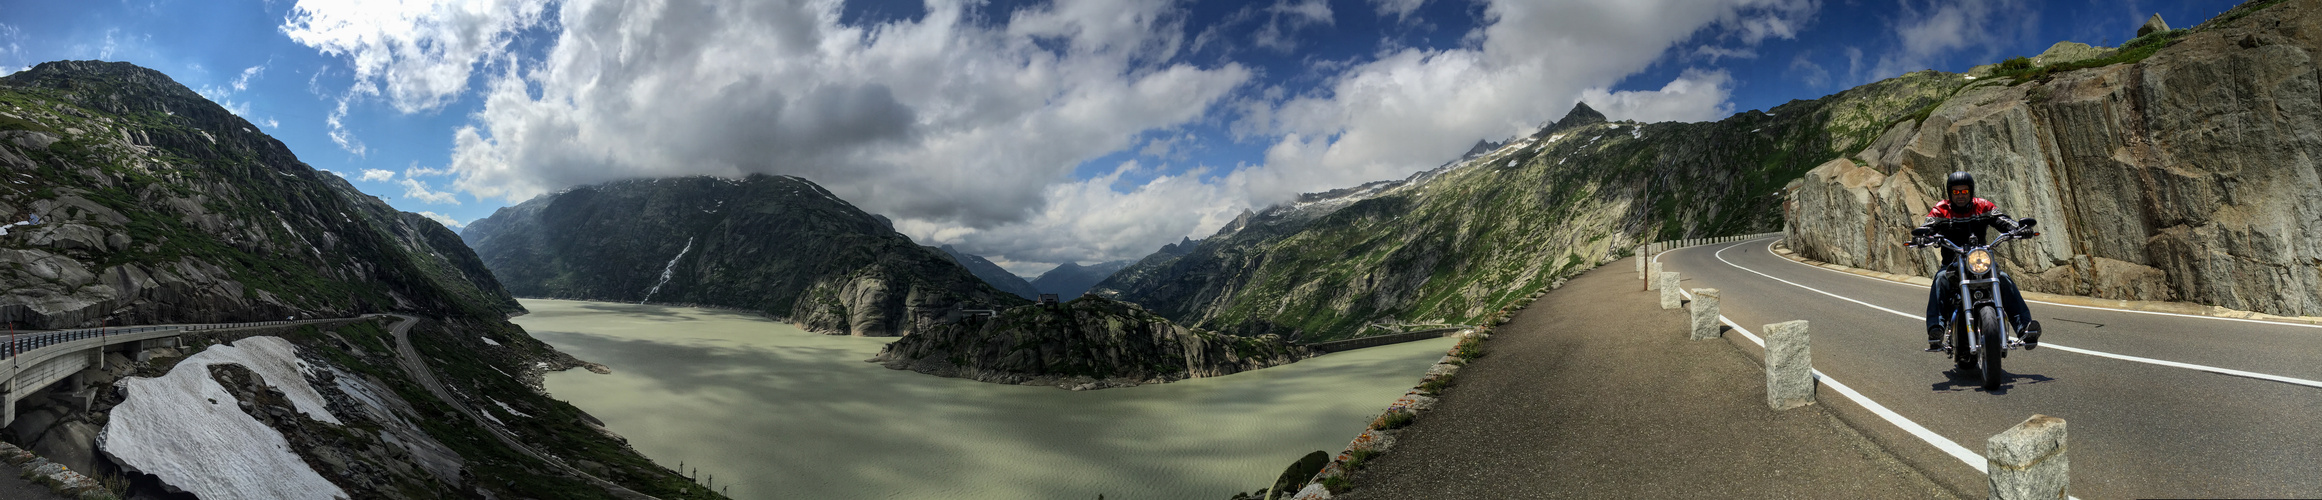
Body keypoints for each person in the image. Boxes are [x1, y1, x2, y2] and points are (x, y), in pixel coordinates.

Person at [1915, 171, 2041, 351]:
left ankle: (2024, 328)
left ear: (1971, 191)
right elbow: (1927, 226)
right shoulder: (1941, 210)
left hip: (1981, 262)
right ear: (1950, 193)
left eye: (1964, 191)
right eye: (1956, 192)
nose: (1960, 195)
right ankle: (1936, 329)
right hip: (1953, 264)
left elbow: (2003, 220)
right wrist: (1923, 236)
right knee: (1940, 279)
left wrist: (2019, 228)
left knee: (2003, 279)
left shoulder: (1983, 206)